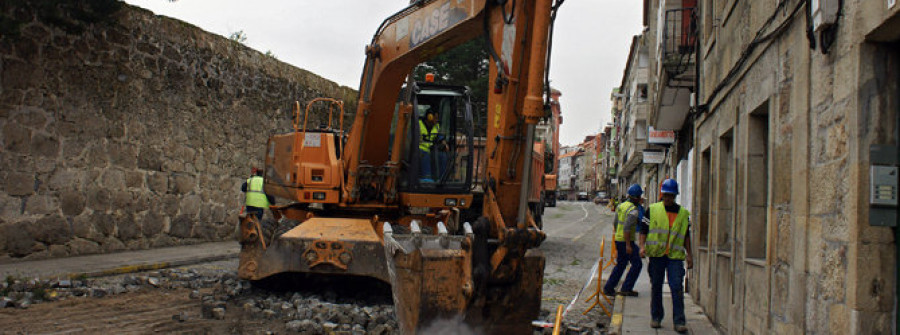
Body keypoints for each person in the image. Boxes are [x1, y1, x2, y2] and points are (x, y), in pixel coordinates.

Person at [638, 179, 692, 333]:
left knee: (676, 288)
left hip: (675, 257)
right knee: (656, 287)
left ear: (675, 196)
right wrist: (642, 246)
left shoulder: (683, 214)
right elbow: (643, 230)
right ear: (662, 194)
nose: (668, 198)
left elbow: (687, 236)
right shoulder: (653, 210)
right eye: (666, 195)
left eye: (671, 196)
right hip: (657, 256)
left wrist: (690, 256)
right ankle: (656, 317)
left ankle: (679, 321)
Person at [603, 184, 644, 297]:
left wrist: (617, 235)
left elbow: (615, 223)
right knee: (637, 264)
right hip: (626, 241)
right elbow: (626, 228)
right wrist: (628, 245)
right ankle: (626, 287)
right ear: (636, 197)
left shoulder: (621, 206)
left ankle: (609, 287)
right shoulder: (633, 210)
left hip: (618, 239)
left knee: (621, 264)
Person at [418, 108, 447, 182]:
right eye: (436, 118)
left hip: (431, 150)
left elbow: (439, 136)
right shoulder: (418, 124)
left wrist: (443, 142)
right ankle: (427, 178)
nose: (437, 120)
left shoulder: (437, 126)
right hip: (419, 150)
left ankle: (441, 179)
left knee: (443, 156)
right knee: (425, 155)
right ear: (430, 117)